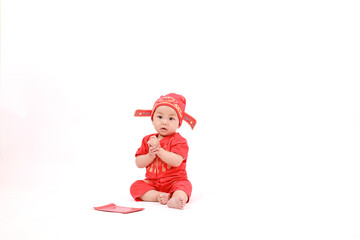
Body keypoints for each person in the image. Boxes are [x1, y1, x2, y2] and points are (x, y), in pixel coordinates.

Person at [130, 93, 196, 210]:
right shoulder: (147, 140)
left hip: (175, 181)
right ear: (152, 119)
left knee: (185, 186)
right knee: (135, 187)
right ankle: (159, 196)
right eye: (160, 117)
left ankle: (177, 198)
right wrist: (150, 155)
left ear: (179, 124)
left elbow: (176, 161)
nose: (164, 122)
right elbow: (139, 163)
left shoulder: (180, 141)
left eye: (171, 118)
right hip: (152, 183)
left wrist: (159, 150)